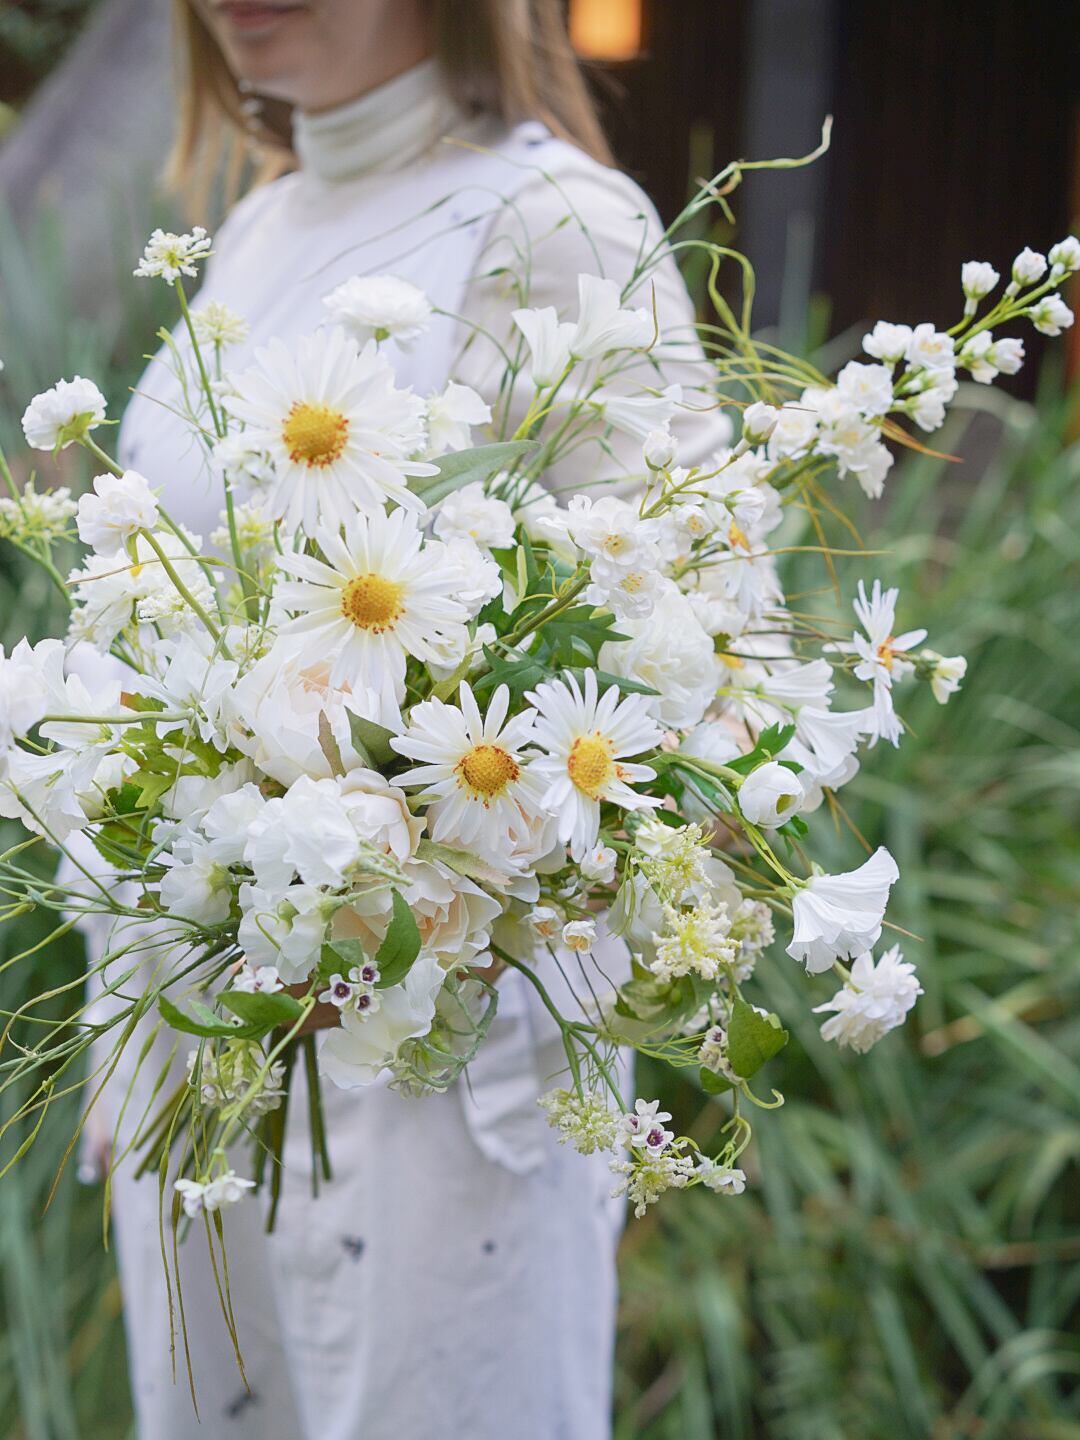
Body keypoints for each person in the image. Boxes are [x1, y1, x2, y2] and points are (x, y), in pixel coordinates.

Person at [91, 2, 726, 1435]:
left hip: (438, 1061)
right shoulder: (260, 221)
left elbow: (687, 645)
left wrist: (412, 876)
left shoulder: (550, 217)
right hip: (208, 1015)